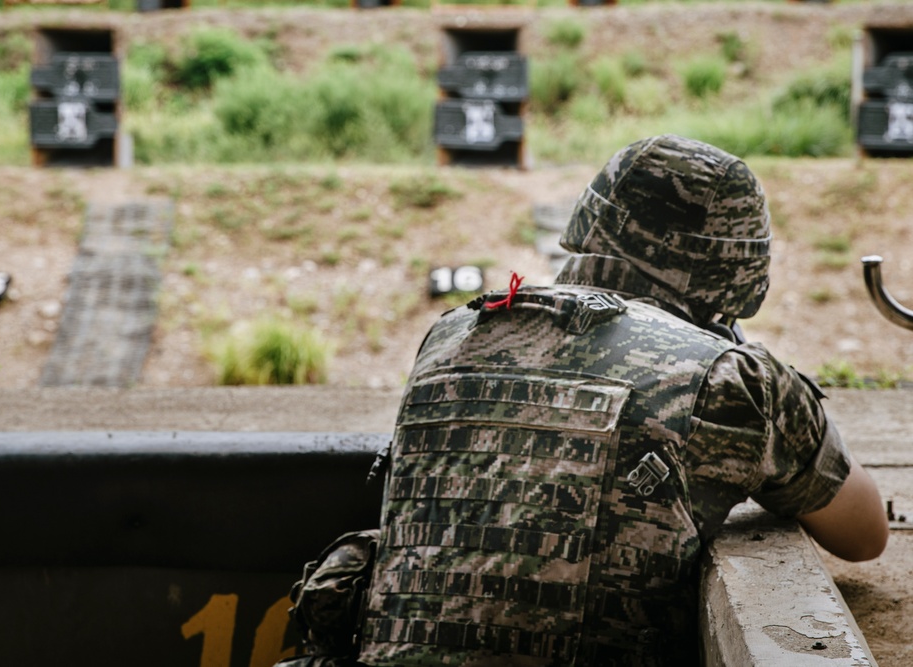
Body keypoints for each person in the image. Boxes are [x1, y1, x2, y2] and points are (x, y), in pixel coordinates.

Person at [284, 135, 889, 667]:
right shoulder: (731, 376)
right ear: (739, 270)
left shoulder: (452, 335)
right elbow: (864, 533)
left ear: (588, 224)